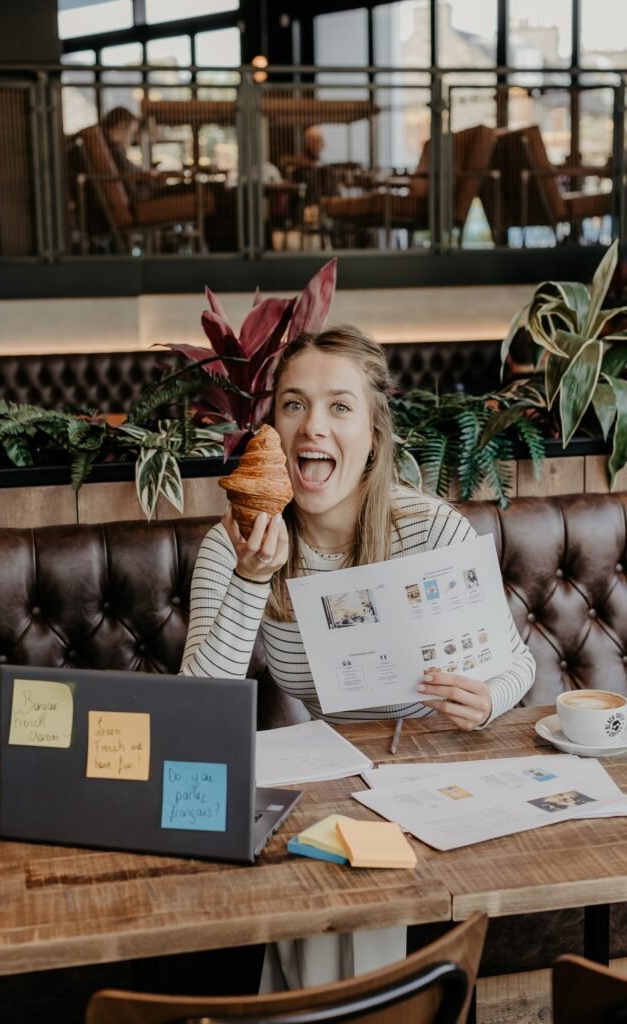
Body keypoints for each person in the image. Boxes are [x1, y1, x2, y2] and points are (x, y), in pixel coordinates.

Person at [181, 323, 535, 986]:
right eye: (293, 404)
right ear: (271, 428)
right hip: (327, 771)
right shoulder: (233, 543)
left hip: (436, 765)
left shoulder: (431, 530)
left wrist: (489, 702)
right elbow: (200, 704)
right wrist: (254, 580)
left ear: (373, 432)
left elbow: (517, 663)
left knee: (346, 873)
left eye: (339, 406)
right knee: (321, 859)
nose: (313, 426)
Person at [100, 106, 167, 202]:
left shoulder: (109, 150)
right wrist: (151, 181)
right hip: (144, 200)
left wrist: (145, 175)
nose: (131, 140)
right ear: (121, 126)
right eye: (131, 133)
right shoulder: (115, 152)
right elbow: (134, 194)